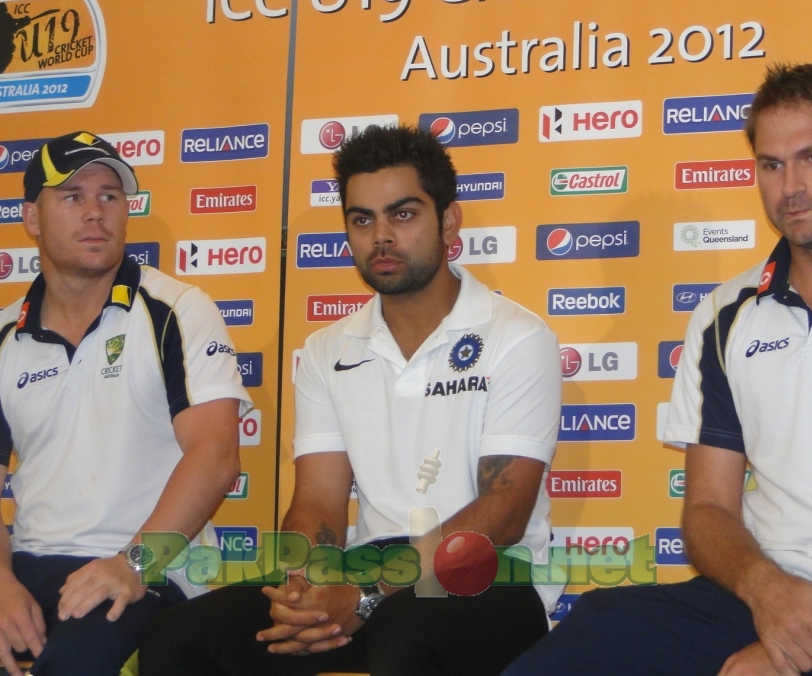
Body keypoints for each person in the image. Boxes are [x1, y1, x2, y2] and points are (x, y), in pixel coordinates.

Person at [502, 61, 812, 676]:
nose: (790, 186)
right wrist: (767, 593)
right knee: (591, 639)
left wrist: (801, 635)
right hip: (759, 600)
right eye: (771, 165)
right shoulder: (726, 312)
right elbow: (709, 510)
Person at [139, 124, 563, 676]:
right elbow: (317, 499)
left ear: (449, 221)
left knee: (408, 636)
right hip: (372, 575)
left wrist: (366, 594)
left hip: (490, 579)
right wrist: (303, 584)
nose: (381, 236)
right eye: (362, 220)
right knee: (180, 638)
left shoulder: (518, 338)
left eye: (403, 214)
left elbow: (503, 514)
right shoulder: (325, 350)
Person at [0, 131, 251, 676]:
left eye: (109, 196)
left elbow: (217, 456)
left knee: (75, 663)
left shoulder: (177, 311)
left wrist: (132, 564)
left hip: (147, 574)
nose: (96, 212)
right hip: (29, 568)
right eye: (73, 197)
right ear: (32, 217)